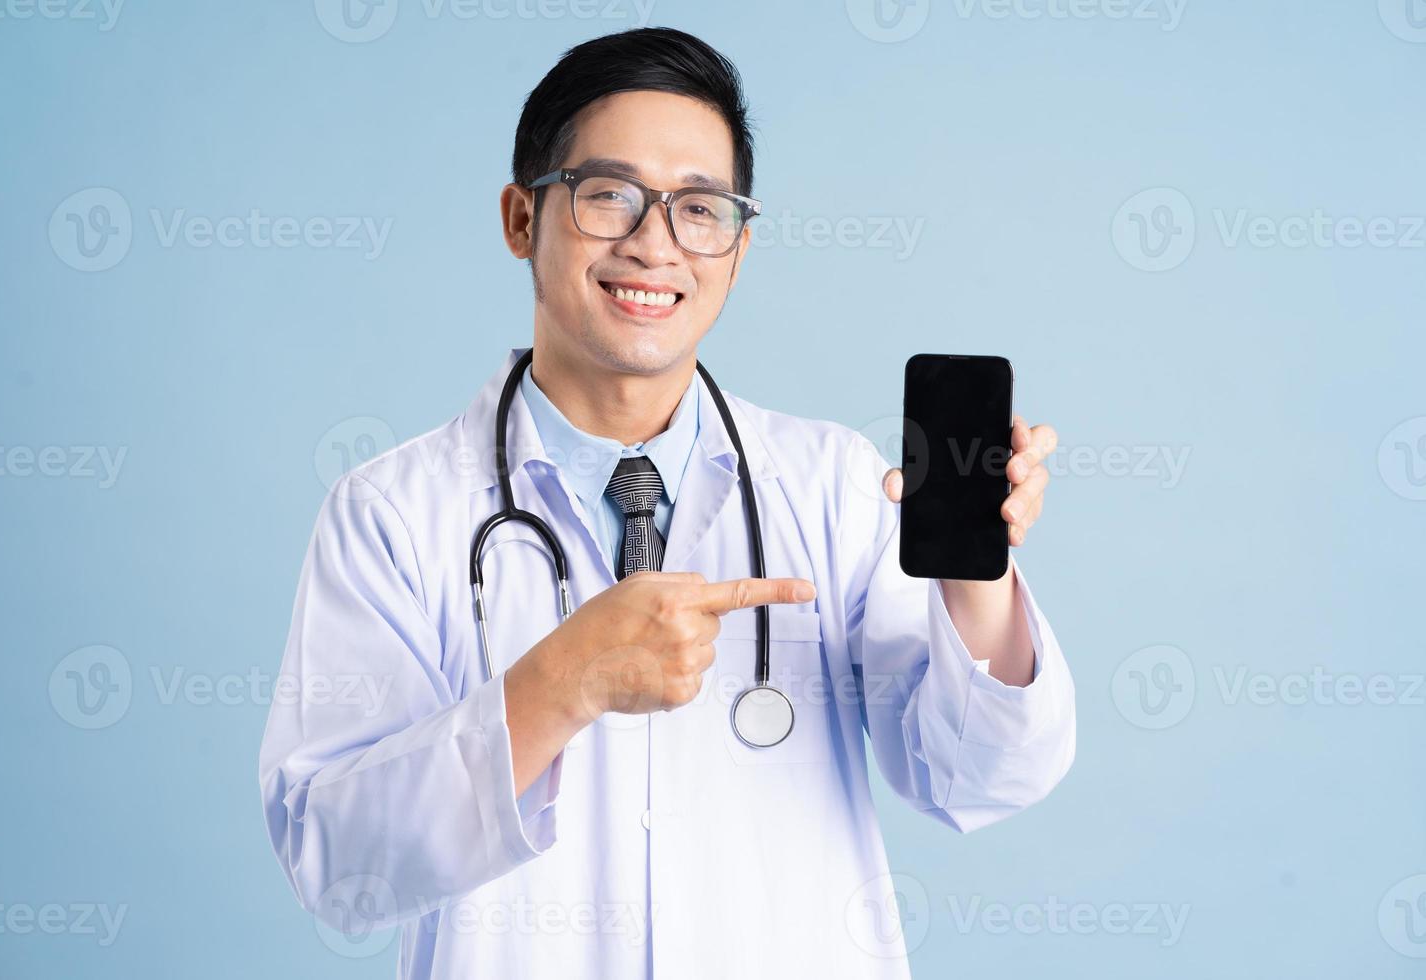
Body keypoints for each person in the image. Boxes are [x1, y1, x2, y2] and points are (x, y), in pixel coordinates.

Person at [259, 26, 1075, 980]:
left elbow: (982, 779)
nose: (655, 244)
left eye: (700, 208)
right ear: (523, 218)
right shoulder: (394, 514)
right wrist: (562, 681)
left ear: (737, 246)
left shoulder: (833, 486)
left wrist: (973, 581)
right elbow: (339, 866)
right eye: (609, 195)